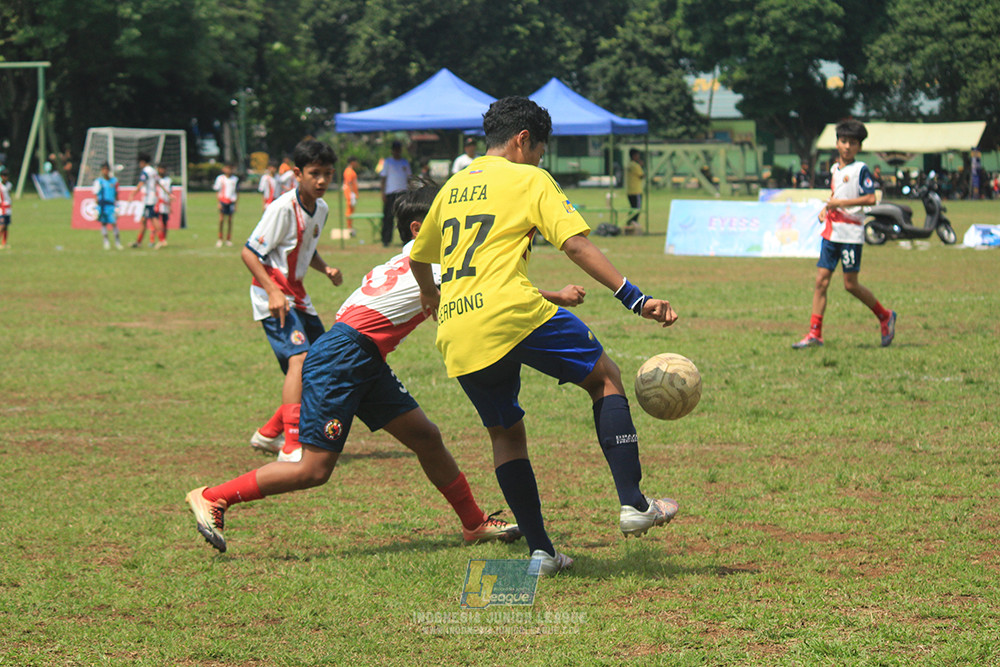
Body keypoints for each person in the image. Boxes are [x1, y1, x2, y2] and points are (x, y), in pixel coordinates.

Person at [409, 97, 680, 575]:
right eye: (539, 151)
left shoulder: (452, 186)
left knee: (505, 433)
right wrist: (635, 299)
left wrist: (431, 296)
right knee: (604, 377)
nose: (539, 162)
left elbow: (417, 256)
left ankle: (541, 552)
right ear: (523, 140)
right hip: (511, 309)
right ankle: (634, 504)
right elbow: (574, 242)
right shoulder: (529, 177)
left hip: (456, 326)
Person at [186, 176, 521, 553]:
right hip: (344, 358)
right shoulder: (432, 263)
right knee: (313, 470)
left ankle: (474, 524)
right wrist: (552, 296)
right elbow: (490, 295)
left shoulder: (401, 259)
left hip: (360, 357)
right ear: (420, 228)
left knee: (426, 437)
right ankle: (214, 496)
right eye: (447, 218)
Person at [241, 139, 343, 465]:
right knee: (300, 360)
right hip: (272, 294)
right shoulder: (282, 208)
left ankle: (269, 432)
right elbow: (249, 252)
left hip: (297, 295)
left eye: (328, 173)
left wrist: (324, 268)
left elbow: (302, 250)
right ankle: (291, 444)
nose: (322, 180)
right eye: (315, 173)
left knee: (320, 363)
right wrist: (272, 291)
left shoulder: (322, 208)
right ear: (297, 173)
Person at [793, 119, 895, 350]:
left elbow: (870, 198)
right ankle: (814, 334)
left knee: (850, 285)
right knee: (821, 281)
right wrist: (826, 208)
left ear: (859, 147)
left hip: (850, 234)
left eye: (853, 143)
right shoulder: (834, 170)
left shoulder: (860, 170)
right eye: (844, 141)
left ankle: (885, 315)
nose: (848, 146)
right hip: (832, 232)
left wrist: (840, 203)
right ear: (837, 143)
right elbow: (835, 197)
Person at [379, 140, 411, 247]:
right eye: (395, 150)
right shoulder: (388, 162)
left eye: (399, 150)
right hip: (391, 193)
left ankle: (406, 240)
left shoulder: (404, 162)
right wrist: (383, 192)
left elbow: (409, 178)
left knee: (404, 218)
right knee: (388, 217)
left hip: (403, 193)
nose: (397, 152)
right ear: (392, 151)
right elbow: (383, 178)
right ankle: (386, 239)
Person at [129, 153, 161, 248]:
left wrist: (132, 194)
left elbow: (141, 183)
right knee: (143, 220)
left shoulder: (145, 171)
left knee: (153, 219)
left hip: (149, 199)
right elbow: (159, 182)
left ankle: (162, 239)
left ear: (142, 162)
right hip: (152, 198)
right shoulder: (153, 171)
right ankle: (138, 242)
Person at [92, 162, 123, 250]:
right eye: (104, 169)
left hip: (111, 206)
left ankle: (117, 242)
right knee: (104, 224)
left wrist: (118, 205)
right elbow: (95, 194)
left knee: (114, 224)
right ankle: (106, 242)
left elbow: (116, 194)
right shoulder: (99, 181)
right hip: (103, 205)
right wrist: (96, 207)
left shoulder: (114, 181)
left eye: (107, 169)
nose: (105, 171)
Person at [213, 163, 239, 247]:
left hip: (231, 201)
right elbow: (217, 191)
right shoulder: (220, 179)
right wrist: (218, 202)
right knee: (221, 220)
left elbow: (237, 192)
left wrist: (236, 204)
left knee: (230, 220)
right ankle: (220, 238)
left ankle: (228, 239)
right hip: (223, 201)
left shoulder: (235, 179)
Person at [624, 148, 644, 233]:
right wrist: (641, 166)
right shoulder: (636, 166)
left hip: (629, 191)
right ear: (634, 156)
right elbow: (642, 175)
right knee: (637, 209)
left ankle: (629, 223)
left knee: (632, 209)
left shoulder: (629, 165)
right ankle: (632, 225)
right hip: (636, 191)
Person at [341, 156, 360, 238]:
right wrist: (352, 193)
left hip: (352, 193)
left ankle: (350, 226)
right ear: (352, 162)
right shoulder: (349, 171)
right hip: (349, 193)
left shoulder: (351, 171)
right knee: (349, 210)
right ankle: (349, 227)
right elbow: (349, 183)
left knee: (352, 210)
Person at [155, 164, 172, 247]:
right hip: (157, 203)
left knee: (165, 222)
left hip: (165, 204)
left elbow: (170, 193)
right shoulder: (155, 179)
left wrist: (170, 205)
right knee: (155, 221)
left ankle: (164, 239)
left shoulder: (168, 180)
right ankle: (155, 239)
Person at [0, 166, 11, 250]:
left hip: (8, 208)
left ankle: (4, 243)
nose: (5, 177)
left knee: (6, 226)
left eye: (6, 175)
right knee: (2, 225)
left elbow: (9, 195)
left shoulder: (9, 185)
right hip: (2, 207)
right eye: (4, 175)